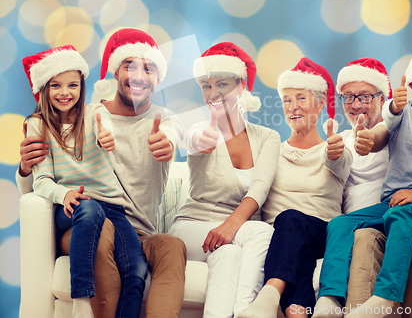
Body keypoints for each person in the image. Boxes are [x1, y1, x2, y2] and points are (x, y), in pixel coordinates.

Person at [17, 29, 187, 318]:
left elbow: (173, 133)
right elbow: (37, 185)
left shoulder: (165, 120)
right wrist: (24, 168)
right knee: (102, 230)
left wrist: (167, 143)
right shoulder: (86, 115)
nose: (139, 75)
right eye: (129, 65)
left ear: (158, 77)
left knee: (172, 246)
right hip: (85, 223)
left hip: (136, 230)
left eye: (149, 68)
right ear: (115, 71)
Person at [314, 39, 412, 318]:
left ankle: (386, 297)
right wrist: (367, 140)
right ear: (411, 84)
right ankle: (330, 298)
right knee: (340, 224)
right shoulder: (399, 113)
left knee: (402, 212)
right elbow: (382, 132)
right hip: (396, 202)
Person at [169, 42, 281, 318]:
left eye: (222, 84)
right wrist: (198, 140)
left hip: (230, 236)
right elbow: (192, 139)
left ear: (241, 86)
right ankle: (248, 312)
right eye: (206, 86)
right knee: (262, 231)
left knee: (229, 255)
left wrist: (230, 227)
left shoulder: (267, 137)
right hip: (192, 228)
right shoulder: (200, 128)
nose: (213, 93)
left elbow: (260, 188)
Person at [236, 57, 351, 318]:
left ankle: (270, 293)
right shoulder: (271, 149)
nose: (292, 107)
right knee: (297, 248)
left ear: (321, 103)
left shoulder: (335, 148)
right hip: (281, 240)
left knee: (289, 219)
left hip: (321, 232)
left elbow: (339, 162)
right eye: (286, 100)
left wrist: (333, 152)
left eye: (301, 98)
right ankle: (296, 314)